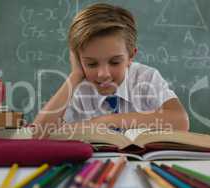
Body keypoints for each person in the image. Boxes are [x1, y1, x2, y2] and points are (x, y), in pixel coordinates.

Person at [33, 3, 189, 137]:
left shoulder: (146, 77)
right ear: (78, 60)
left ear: (130, 56)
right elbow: (38, 133)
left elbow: (181, 122)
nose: (103, 74)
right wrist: (75, 75)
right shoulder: (79, 89)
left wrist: (103, 122)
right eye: (91, 64)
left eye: (115, 62)